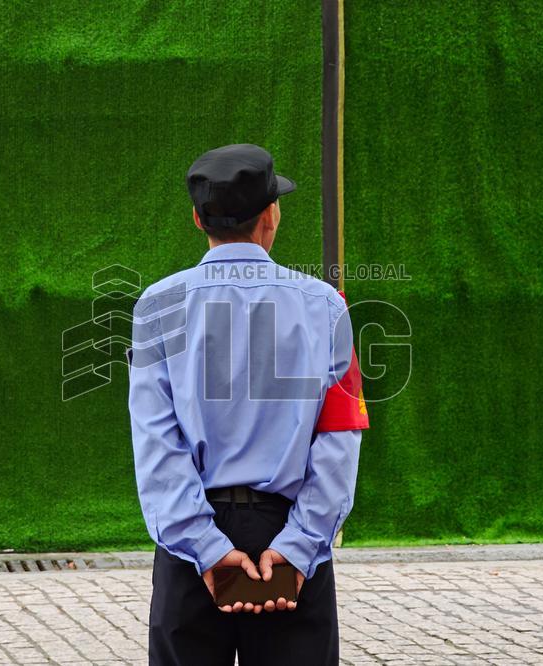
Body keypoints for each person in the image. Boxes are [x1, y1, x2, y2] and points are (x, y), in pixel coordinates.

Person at [128, 143, 368, 665]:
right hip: (289, 538)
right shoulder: (327, 306)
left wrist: (207, 548)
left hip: (190, 557)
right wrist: (299, 548)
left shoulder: (157, 306)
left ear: (197, 219)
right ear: (272, 215)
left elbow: (156, 445)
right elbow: (340, 439)